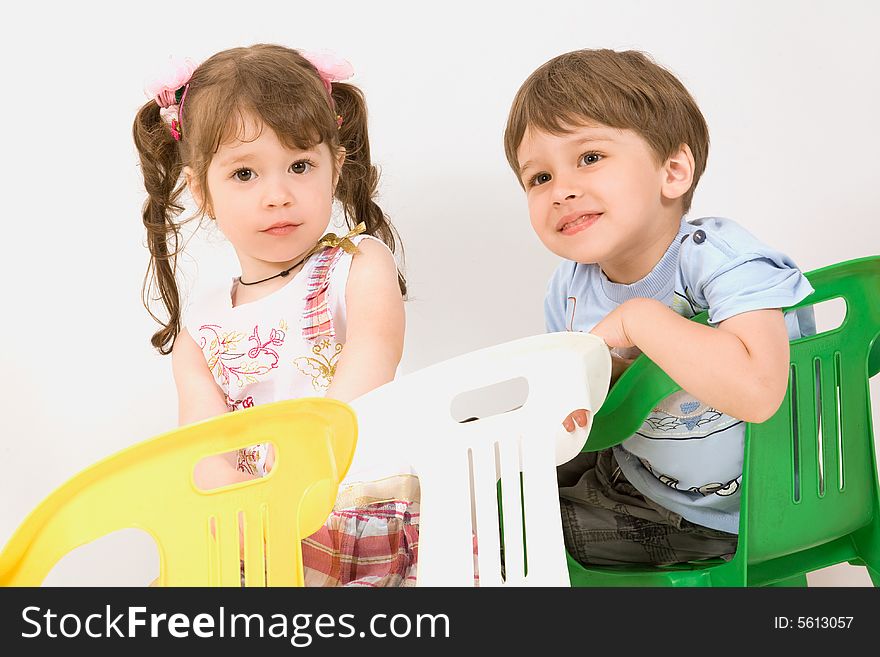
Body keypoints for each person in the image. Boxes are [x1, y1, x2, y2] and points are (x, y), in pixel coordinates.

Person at [503, 48, 816, 566]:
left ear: (673, 171)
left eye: (589, 158)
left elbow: (760, 393)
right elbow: (582, 416)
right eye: (539, 178)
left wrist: (639, 320)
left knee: (510, 535)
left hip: (727, 512)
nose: (561, 191)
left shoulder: (722, 259)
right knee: (487, 489)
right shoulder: (569, 288)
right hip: (635, 473)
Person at [134, 44, 416, 586]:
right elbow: (205, 450)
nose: (279, 195)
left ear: (336, 167)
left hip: (356, 507)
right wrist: (243, 529)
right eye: (245, 174)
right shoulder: (200, 331)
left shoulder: (357, 266)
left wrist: (307, 469)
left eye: (300, 165)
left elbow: (372, 358)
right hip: (259, 530)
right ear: (202, 189)